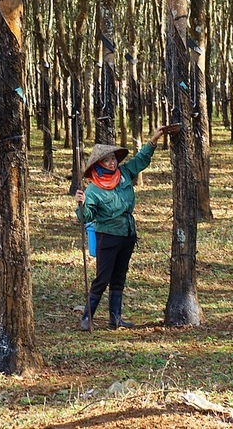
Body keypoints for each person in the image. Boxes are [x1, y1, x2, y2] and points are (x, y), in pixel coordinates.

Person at [75, 126, 171, 330]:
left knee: (119, 276)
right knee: (102, 278)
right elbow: (87, 217)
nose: (112, 163)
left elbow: (140, 161)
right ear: (99, 164)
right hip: (107, 236)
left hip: (127, 233)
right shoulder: (93, 189)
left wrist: (152, 141)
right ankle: (87, 317)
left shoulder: (124, 173)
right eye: (107, 160)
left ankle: (115, 319)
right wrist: (81, 205)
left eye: (114, 159)